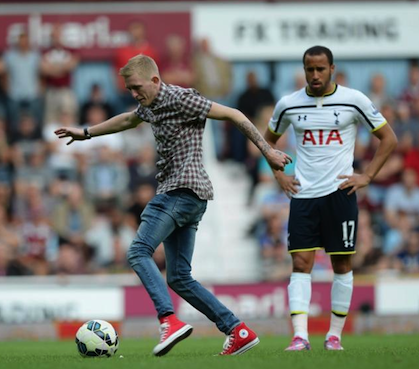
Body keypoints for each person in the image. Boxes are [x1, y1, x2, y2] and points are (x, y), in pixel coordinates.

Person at [55, 54, 291, 356]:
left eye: (137, 87)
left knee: (138, 251)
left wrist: (268, 151)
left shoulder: (182, 98)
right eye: (129, 89)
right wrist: (87, 132)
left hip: (180, 190)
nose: (134, 94)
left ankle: (168, 319)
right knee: (179, 277)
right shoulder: (150, 104)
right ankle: (237, 330)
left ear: (155, 80)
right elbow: (129, 118)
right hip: (191, 198)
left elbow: (234, 114)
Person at [263, 46, 397, 351]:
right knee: (300, 262)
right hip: (304, 195)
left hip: (340, 194)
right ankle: (300, 336)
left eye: (320, 69)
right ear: (304, 70)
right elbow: (267, 141)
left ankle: (334, 336)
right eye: (310, 69)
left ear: (332, 68)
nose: (315, 75)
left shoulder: (354, 100)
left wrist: (367, 176)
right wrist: (279, 175)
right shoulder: (289, 104)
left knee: (342, 264)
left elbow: (389, 138)